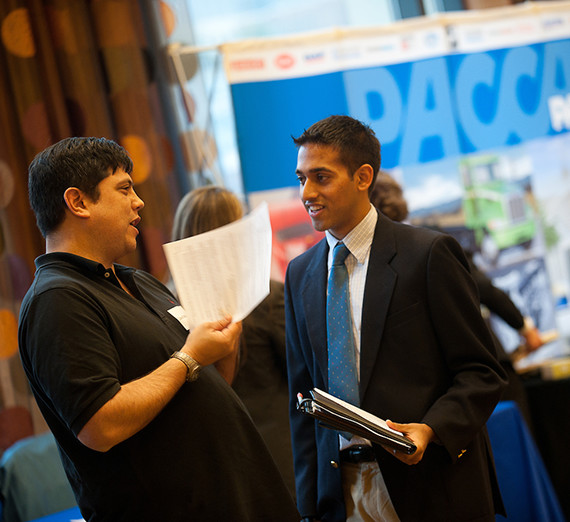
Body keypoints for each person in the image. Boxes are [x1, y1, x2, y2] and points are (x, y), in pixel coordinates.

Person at [18, 137, 299, 522]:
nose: (139, 202)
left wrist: (222, 345)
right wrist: (189, 357)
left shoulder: (139, 281)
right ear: (78, 202)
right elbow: (100, 423)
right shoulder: (58, 299)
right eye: (124, 188)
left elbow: (211, 381)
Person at [285, 115, 508, 522]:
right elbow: (302, 400)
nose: (307, 193)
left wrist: (431, 429)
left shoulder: (428, 254)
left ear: (363, 176)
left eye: (321, 177)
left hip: (428, 486)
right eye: (301, 178)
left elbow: (481, 371)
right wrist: (308, 507)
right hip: (340, 495)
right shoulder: (299, 274)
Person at [371, 170, 544, 433]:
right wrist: (524, 327)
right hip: (477, 377)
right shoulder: (427, 241)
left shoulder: (373, 264)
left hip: (442, 395)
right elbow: (484, 288)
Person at [170, 185, 296, 496]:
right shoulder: (266, 297)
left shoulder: (165, 306)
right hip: (275, 454)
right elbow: (300, 373)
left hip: (209, 463)